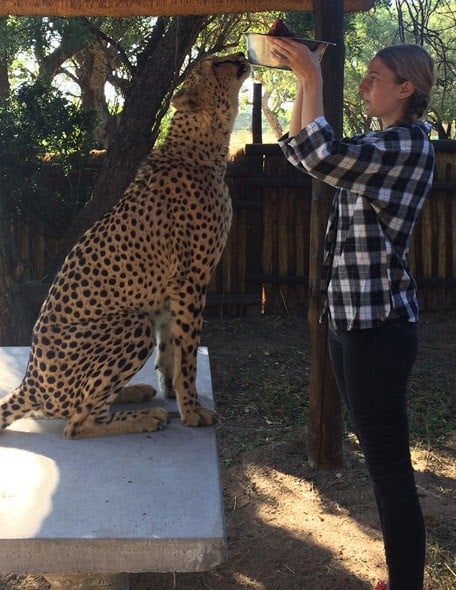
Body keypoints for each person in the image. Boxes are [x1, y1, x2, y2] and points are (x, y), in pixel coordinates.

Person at [267, 37, 435, 590]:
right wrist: (299, 79)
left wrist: (314, 77)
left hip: (379, 331)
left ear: (406, 89)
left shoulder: (409, 146)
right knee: (382, 461)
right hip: (349, 323)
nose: (363, 84)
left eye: (374, 77)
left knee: (389, 469)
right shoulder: (377, 141)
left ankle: (406, 584)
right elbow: (301, 150)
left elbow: (317, 153)